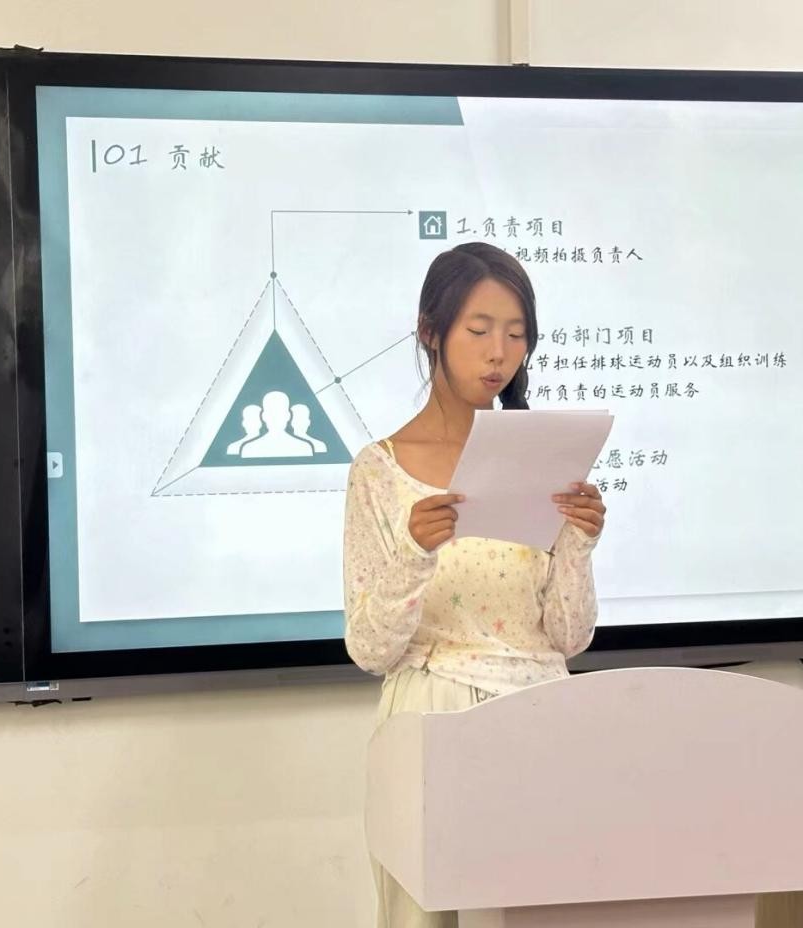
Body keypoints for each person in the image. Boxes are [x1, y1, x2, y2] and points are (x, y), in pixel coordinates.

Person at [342, 242, 606, 928]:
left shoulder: (543, 459)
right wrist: (413, 554)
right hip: (433, 714)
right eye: (479, 330)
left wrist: (578, 543)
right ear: (430, 331)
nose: (498, 354)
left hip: (544, 714)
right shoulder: (381, 470)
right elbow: (370, 649)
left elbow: (569, 637)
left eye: (516, 335)